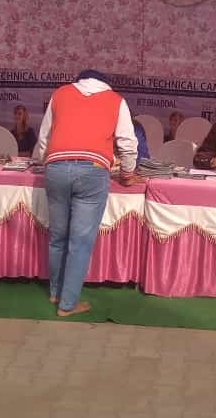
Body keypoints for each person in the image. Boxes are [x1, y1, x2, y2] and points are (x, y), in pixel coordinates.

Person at [34, 70, 142, 317]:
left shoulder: (61, 94)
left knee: (58, 236)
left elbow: (44, 138)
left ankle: (55, 292)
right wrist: (127, 173)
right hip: (93, 171)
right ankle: (67, 305)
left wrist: (44, 160)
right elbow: (128, 143)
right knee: (80, 242)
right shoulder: (116, 100)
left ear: (79, 81)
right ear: (105, 83)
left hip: (56, 167)